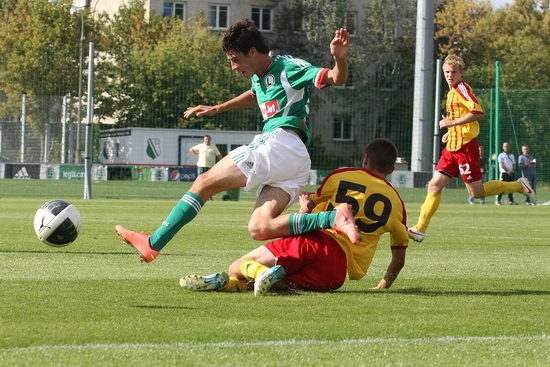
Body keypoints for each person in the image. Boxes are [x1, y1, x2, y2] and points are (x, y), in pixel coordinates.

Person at [115, 19, 352, 262]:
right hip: (295, 161)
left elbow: (336, 77)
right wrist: (218, 108)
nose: (233, 67)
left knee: (204, 182)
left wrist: (339, 58)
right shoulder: (259, 76)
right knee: (260, 227)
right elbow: (254, 95)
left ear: (252, 51)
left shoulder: (289, 68)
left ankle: (153, 243)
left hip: (281, 143)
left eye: (235, 59)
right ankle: (332, 218)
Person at [180, 139, 409, 296]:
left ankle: (252, 273)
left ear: (366, 160)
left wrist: (303, 207)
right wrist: (384, 284)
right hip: (335, 273)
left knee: (237, 266)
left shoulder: (342, 176)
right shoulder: (397, 203)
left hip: (314, 242)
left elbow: (307, 215)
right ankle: (229, 286)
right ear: (391, 170)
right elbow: (398, 257)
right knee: (270, 285)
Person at [407, 55, 536, 243]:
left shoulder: (462, 89)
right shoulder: (452, 91)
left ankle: (519, 186)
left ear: (461, 74)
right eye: (447, 72)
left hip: (466, 147)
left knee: (476, 193)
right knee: (434, 185)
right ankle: (420, 228)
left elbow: (477, 112)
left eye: (453, 72)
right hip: (452, 147)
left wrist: (452, 122)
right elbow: (460, 117)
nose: (450, 75)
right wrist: (452, 130)